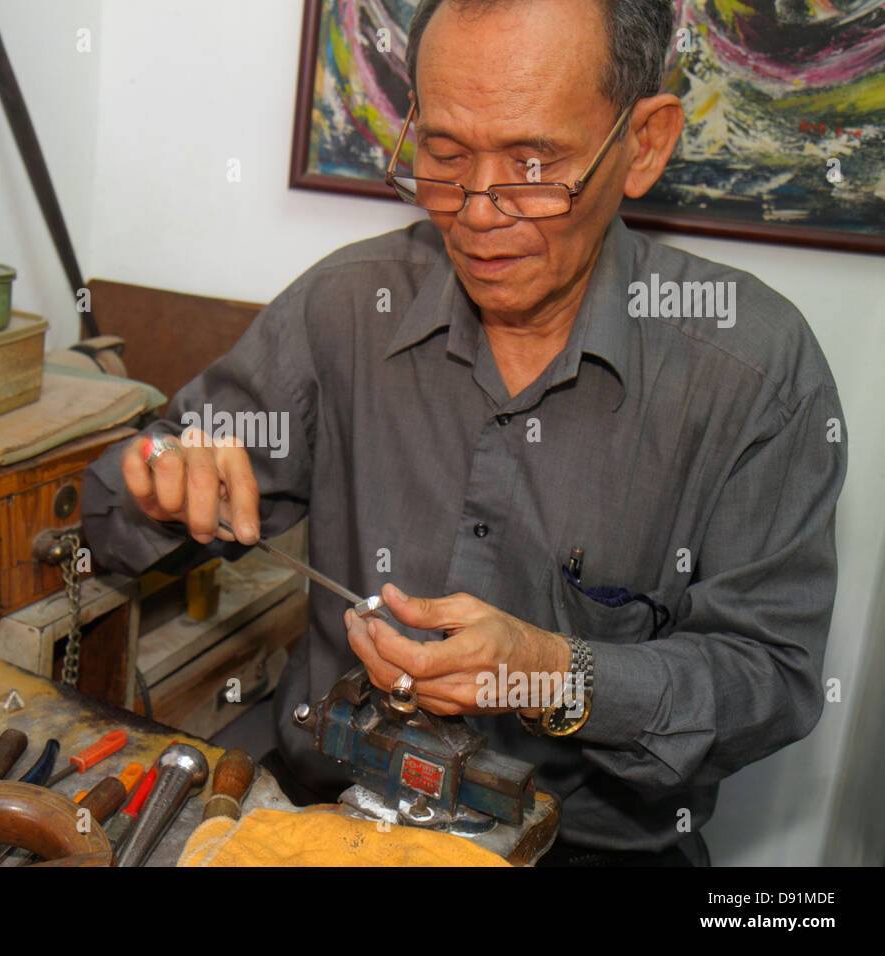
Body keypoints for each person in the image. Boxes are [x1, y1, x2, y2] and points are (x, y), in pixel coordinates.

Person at [81, 0, 846, 866]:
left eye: (532, 162)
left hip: (581, 850)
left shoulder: (752, 368)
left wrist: (559, 673)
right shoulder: (347, 307)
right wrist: (160, 474)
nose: (478, 211)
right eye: (444, 156)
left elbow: (773, 680)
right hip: (329, 818)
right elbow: (110, 513)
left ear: (645, 143)